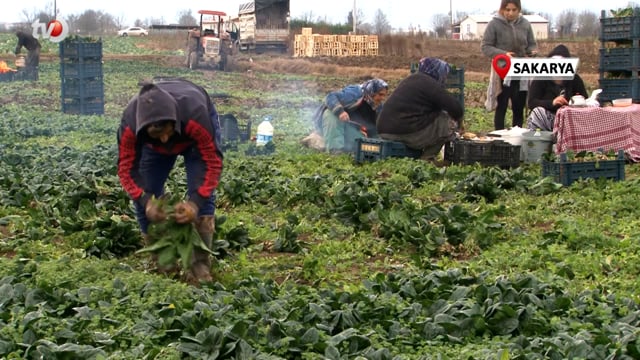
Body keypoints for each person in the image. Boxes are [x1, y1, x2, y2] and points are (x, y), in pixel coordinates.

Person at [117, 78, 223, 283]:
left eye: (167, 131)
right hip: (151, 146)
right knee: (146, 189)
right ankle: (163, 261)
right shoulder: (131, 126)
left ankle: (200, 265)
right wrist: (146, 201)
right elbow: (126, 169)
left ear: (173, 122)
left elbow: (211, 163)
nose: (165, 139)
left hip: (192, 134)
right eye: (158, 134)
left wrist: (195, 203)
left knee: (201, 190)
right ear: (143, 130)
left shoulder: (196, 116)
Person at [376, 57, 464, 161]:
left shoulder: (411, 80)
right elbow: (455, 108)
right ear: (438, 72)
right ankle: (427, 159)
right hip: (405, 133)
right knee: (447, 122)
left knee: (437, 116)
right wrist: (459, 123)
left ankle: (416, 156)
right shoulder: (429, 83)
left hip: (384, 131)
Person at [481, 0, 538, 130]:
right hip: (502, 70)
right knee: (501, 105)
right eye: (507, 10)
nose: (510, 13)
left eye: (514, 10)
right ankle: (499, 137)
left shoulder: (525, 24)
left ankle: (516, 136)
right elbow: (485, 47)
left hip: (521, 70)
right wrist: (503, 54)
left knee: (518, 106)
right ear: (502, 9)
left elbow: (532, 44)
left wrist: (532, 51)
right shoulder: (494, 24)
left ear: (519, 10)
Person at [301, 78, 389, 153]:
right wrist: (340, 112)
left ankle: (320, 139)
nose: (382, 98)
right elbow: (330, 96)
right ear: (372, 92)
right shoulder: (355, 93)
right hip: (331, 121)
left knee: (358, 144)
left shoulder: (378, 107)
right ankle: (334, 150)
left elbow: (374, 128)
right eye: (380, 94)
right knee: (332, 115)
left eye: (384, 95)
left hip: (348, 126)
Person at [526, 44, 588, 131]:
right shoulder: (540, 78)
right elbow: (532, 102)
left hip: (570, 120)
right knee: (537, 112)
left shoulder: (575, 79)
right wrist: (552, 103)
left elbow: (584, 98)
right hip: (547, 118)